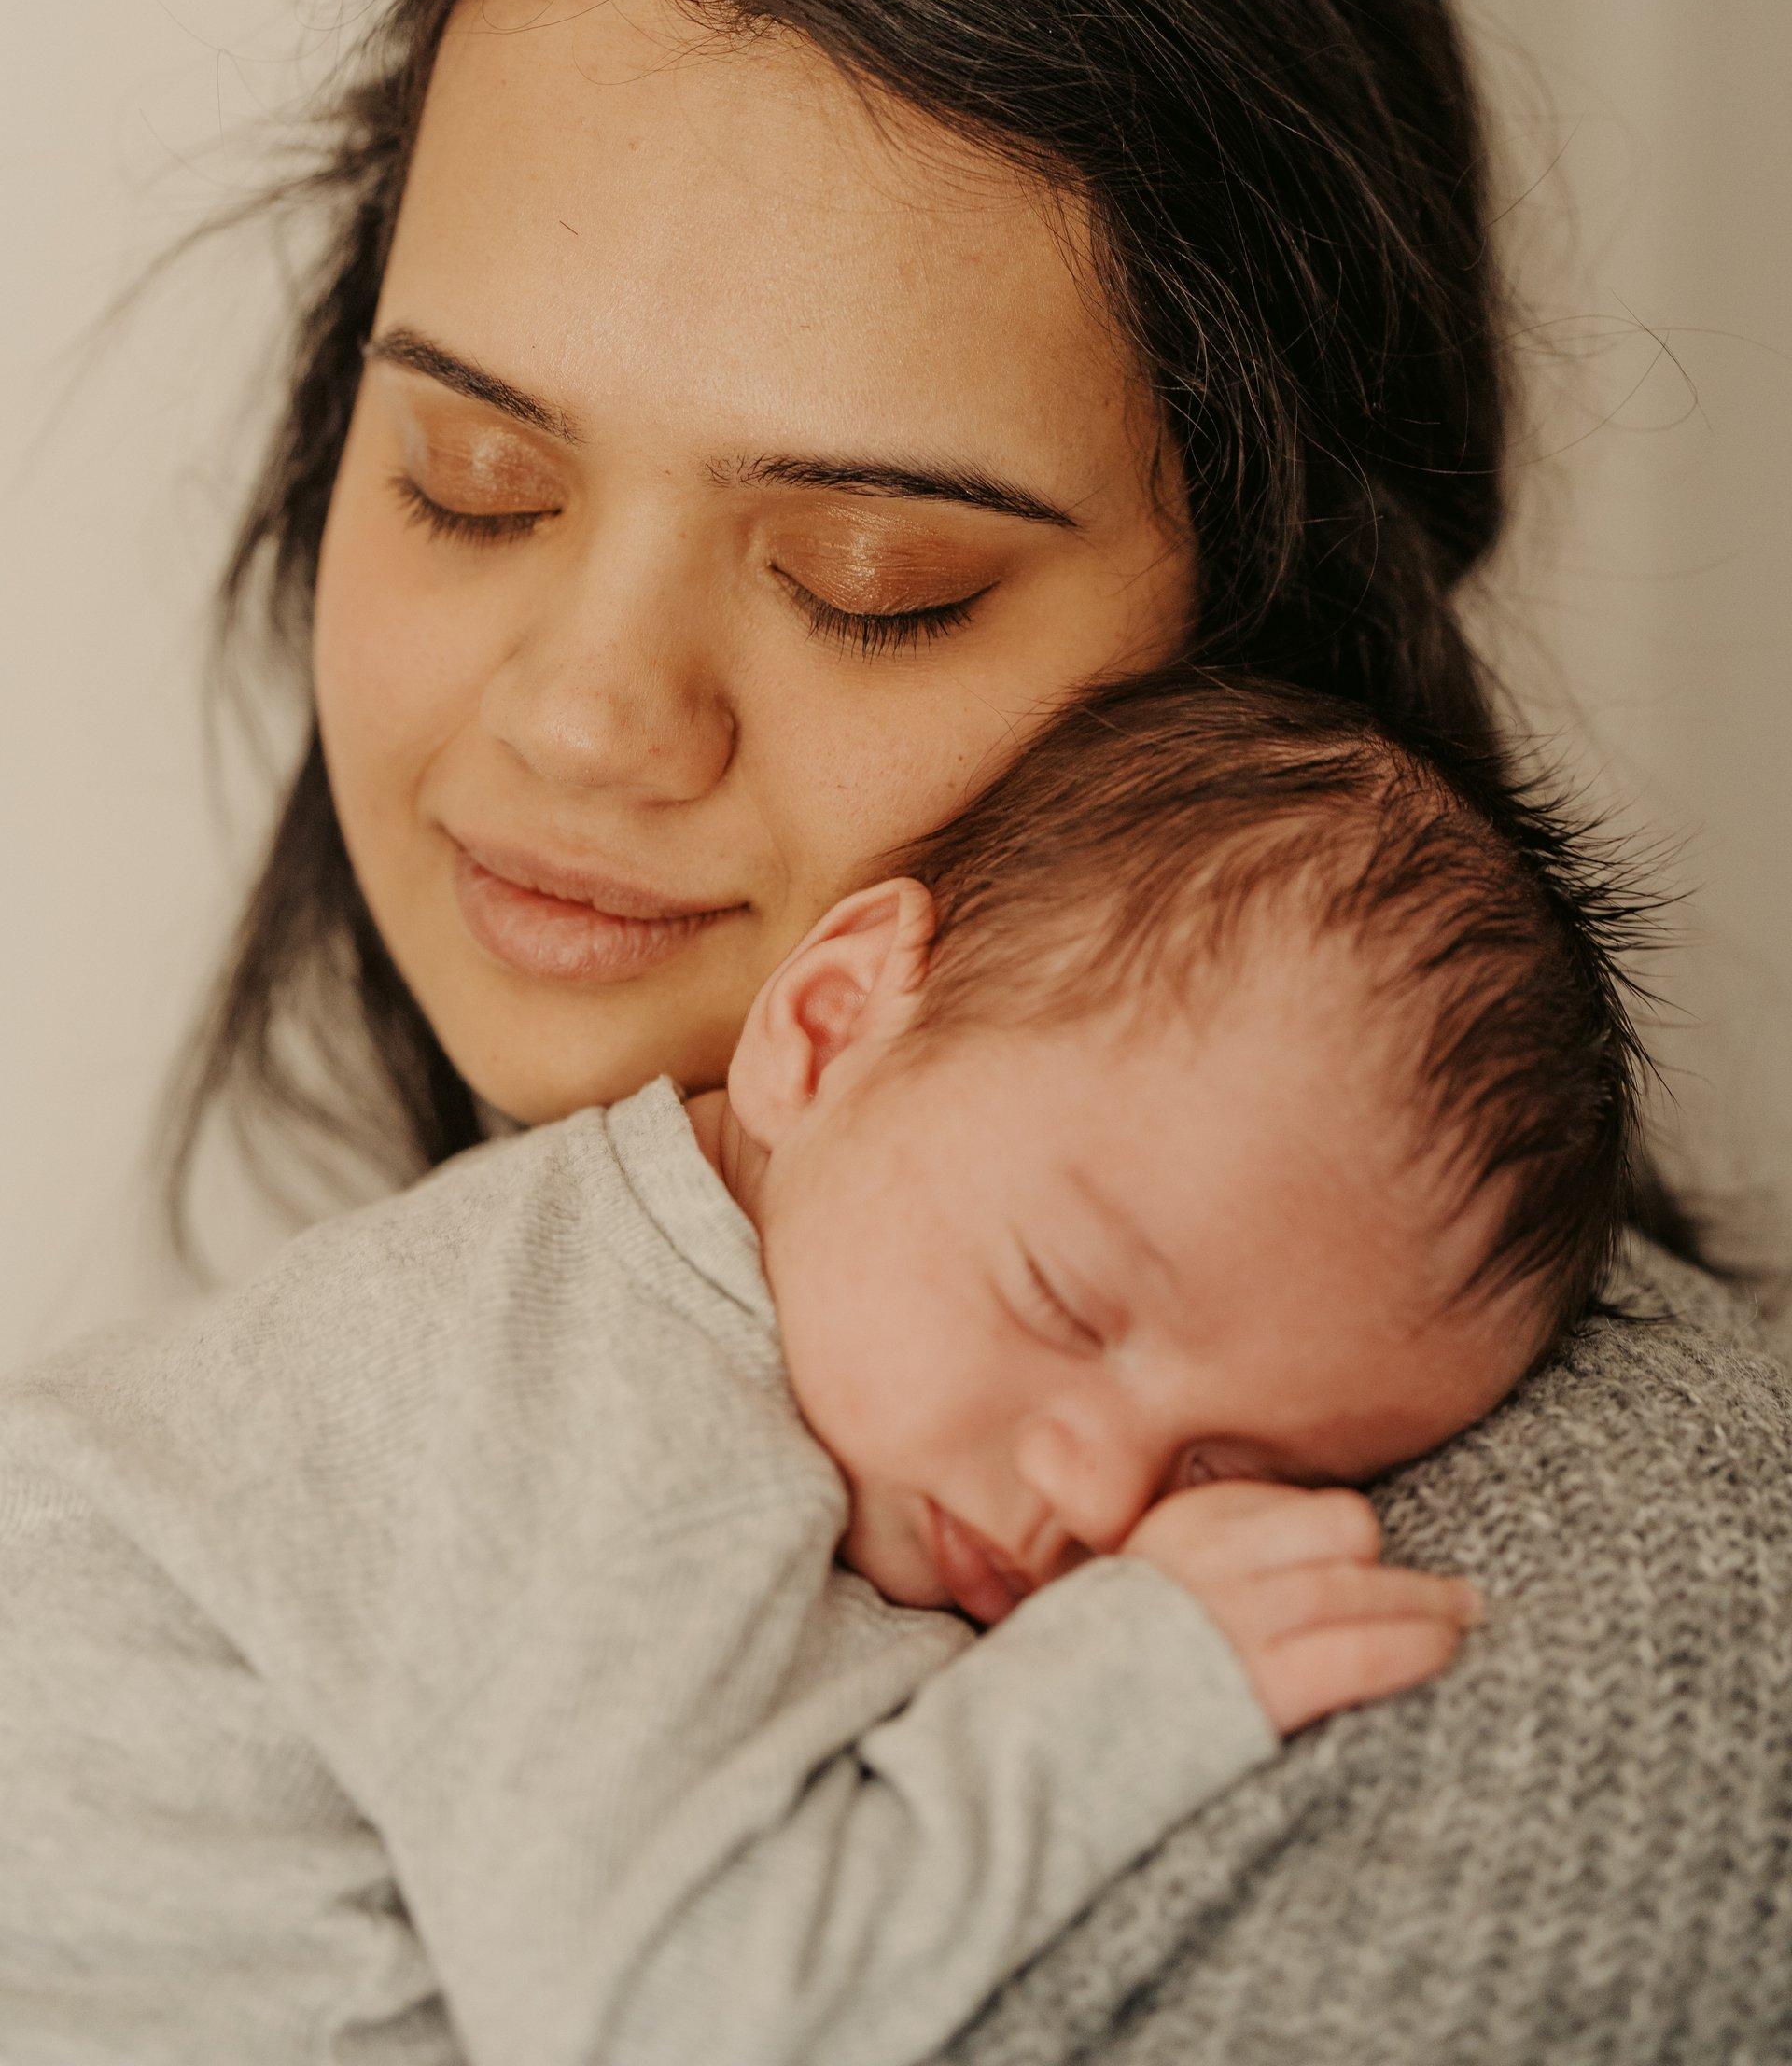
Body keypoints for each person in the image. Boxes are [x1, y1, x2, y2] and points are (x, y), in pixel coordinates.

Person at [17, 0, 1792, 2059]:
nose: (584, 714)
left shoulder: (1543, 1616)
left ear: (1266, 628)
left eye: (878, 579)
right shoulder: (524, 1373)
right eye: (471, 481)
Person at [4, 667, 1665, 2063]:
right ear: (826, 1026)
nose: (1102, 1496)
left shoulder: (814, 1374)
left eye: (1245, 1475)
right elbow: (664, 2022)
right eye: (1064, 1302)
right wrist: (1131, 1697)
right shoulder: (615, 1398)